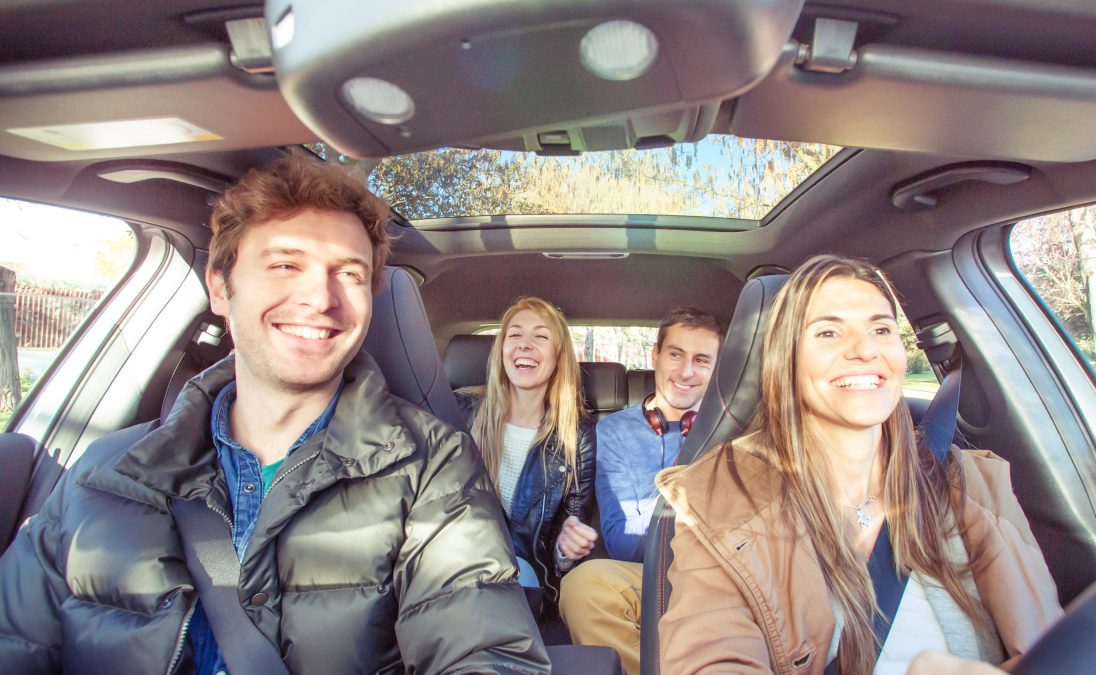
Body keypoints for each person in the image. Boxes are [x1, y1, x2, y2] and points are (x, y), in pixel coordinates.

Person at [0, 153, 550, 674]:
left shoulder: (431, 466)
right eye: (286, 264)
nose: (320, 297)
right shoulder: (104, 474)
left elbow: (485, 647)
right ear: (221, 287)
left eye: (350, 274)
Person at [655, 255, 1063, 674]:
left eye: (881, 329)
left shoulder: (967, 481)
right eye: (828, 332)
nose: (865, 349)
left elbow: (1056, 651)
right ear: (785, 359)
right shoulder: (721, 496)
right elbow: (712, 658)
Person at [559, 308, 723, 675]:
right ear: (656, 355)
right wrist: (687, 475)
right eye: (676, 354)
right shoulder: (614, 431)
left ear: (717, 369)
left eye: (701, 360)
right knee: (583, 586)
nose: (686, 372)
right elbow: (623, 543)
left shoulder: (732, 430)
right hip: (649, 575)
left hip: (719, 577)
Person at [455, 297, 598, 613]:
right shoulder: (460, 412)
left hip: (523, 572)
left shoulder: (576, 436)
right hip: (458, 559)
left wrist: (566, 549)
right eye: (515, 334)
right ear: (501, 349)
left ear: (558, 356)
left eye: (541, 336)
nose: (525, 344)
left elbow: (569, 531)